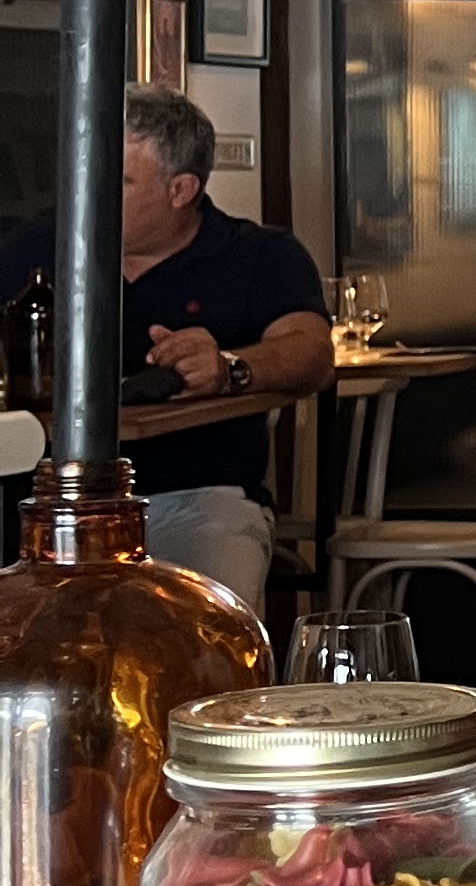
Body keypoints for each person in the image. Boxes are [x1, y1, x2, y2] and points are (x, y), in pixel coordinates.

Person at [0, 85, 332, 614]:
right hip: (42, 502)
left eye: (120, 179)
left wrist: (230, 368)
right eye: (86, 169)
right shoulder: (32, 250)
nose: (90, 190)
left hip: (195, 498)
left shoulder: (259, 255)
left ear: (181, 189)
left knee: (210, 637)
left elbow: (312, 353)